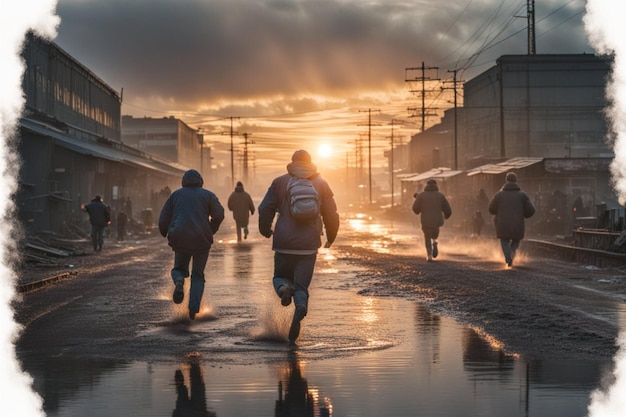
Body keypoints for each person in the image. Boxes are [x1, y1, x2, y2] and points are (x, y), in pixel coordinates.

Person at [258, 149, 340, 348]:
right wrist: (331, 237)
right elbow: (331, 214)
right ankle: (300, 305)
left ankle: (284, 289)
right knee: (302, 287)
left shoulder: (280, 182)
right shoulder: (321, 183)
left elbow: (265, 208)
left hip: (284, 243)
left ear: (292, 162)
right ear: (310, 162)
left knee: (279, 276)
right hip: (308, 245)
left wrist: (265, 230)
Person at [158, 169, 225, 320]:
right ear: (200, 181)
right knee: (198, 275)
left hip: (180, 237)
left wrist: (165, 231)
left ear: (184, 181)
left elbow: (164, 217)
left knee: (178, 268)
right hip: (201, 238)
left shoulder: (175, 195)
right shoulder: (208, 195)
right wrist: (211, 229)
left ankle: (179, 280)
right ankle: (193, 309)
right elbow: (219, 214)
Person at [488, 172, 536, 267]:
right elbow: (531, 210)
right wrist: (524, 215)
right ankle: (512, 254)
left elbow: (491, 209)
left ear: (506, 180)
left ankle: (508, 257)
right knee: (515, 241)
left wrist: (498, 213)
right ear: (516, 181)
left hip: (502, 224)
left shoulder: (499, 195)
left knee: (504, 241)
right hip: (518, 224)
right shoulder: (522, 195)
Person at [412, 179, 452, 261]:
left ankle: (429, 255)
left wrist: (419, 210)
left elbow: (415, 208)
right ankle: (434, 242)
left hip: (426, 221)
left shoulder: (422, 195)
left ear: (426, 186)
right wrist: (446, 215)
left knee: (427, 237)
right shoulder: (440, 196)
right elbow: (447, 208)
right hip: (437, 221)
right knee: (434, 234)